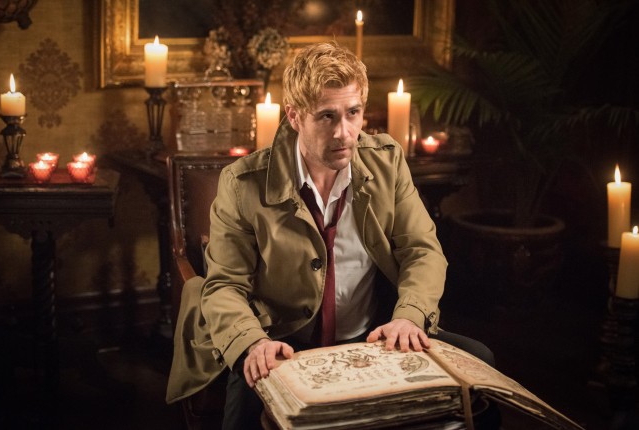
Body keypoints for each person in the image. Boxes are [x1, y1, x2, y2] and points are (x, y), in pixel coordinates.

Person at [166, 41, 496, 429]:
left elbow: (422, 250)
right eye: (327, 116)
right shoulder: (242, 184)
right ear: (294, 115)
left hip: (375, 337)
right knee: (243, 417)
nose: (344, 133)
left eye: (353, 113)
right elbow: (225, 284)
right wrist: (254, 342)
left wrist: (408, 317)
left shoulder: (386, 162)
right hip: (281, 343)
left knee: (481, 369)